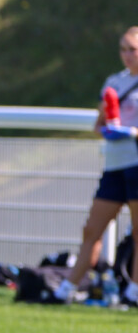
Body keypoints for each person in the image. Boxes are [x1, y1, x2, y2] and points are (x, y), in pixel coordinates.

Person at [52, 27, 138, 305]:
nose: (127, 55)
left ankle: (133, 293)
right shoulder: (114, 81)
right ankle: (67, 289)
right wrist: (108, 130)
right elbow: (99, 122)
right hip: (115, 165)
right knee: (92, 229)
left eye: (133, 50)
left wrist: (132, 132)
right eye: (123, 49)